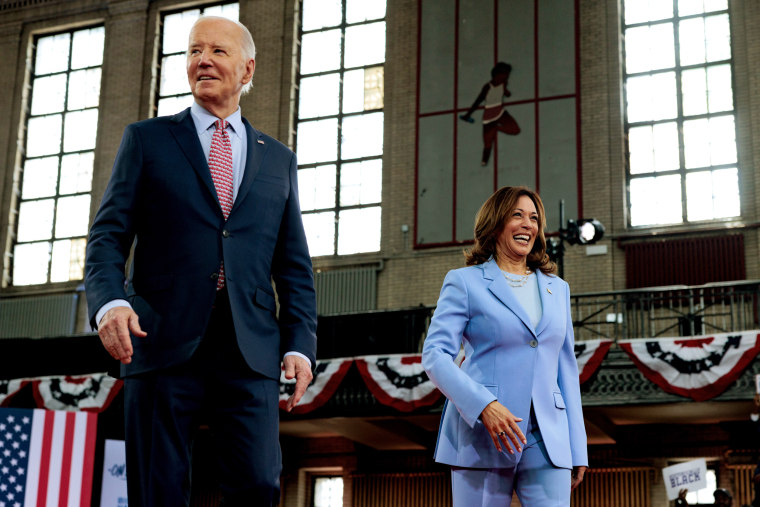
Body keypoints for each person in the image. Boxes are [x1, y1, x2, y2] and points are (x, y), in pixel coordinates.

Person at [84, 16, 317, 506]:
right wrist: (108, 304)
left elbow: (293, 264)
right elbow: (107, 237)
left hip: (250, 347)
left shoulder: (278, 159)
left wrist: (300, 343)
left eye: (217, 51)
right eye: (193, 51)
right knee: (158, 490)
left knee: (259, 483)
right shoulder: (146, 140)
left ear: (248, 68)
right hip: (160, 339)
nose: (202, 60)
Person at [422, 186, 588, 505]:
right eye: (517, 215)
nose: (528, 224)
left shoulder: (558, 288)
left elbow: (566, 370)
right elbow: (435, 356)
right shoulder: (464, 281)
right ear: (496, 224)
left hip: (547, 437)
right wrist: (483, 404)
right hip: (484, 434)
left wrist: (577, 446)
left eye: (534, 218)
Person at [459, 62, 521, 166]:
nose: (506, 77)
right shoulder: (487, 87)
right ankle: (484, 162)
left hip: (500, 111)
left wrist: (507, 92)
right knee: (487, 144)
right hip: (489, 115)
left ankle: (496, 128)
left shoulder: (504, 82)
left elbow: (505, 91)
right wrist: (467, 115)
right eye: (505, 75)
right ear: (497, 74)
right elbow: (477, 101)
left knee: (515, 130)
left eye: (507, 75)